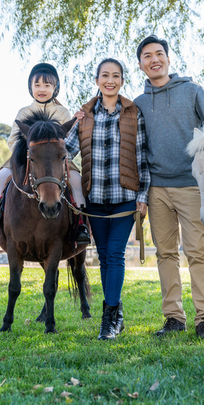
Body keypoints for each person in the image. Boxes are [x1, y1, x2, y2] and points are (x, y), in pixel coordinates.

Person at [133, 35, 204, 339]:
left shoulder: (191, 92)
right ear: (141, 65)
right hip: (157, 190)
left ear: (168, 59)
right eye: (147, 56)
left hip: (191, 187)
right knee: (165, 254)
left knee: (198, 253)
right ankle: (174, 317)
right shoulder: (137, 104)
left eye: (159, 54)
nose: (154, 60)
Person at [66, 58, 150, 340]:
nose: (110, 80)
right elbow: (65, 152)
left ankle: (109, 319)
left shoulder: (133, 113)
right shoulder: (85, 116)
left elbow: (142, 157)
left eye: (115, 75)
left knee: (114, 254)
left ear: (122, 81)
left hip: (125, 196)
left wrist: (143, 195)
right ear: (97, 80)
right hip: (95, 199)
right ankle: (117, 313)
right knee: (103, 257)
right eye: (105, 75)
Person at [0, 63, 90, 245]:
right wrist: (26, 156)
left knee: (76, 180)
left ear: (55, 87)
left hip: (56, 161)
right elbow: (12, 139)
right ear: (30, 88)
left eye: (47, 85)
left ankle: (81, 223)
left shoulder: (62, 112)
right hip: (25, 160)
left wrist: (76, 122)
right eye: (37, 85)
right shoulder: (24, 112)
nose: (41, 89)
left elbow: (68, 140)